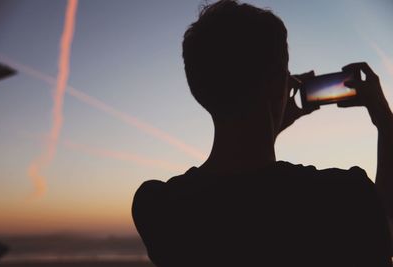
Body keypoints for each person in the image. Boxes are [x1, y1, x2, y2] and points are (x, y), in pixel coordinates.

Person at [132, 0, 393, 266]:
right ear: (277, 82)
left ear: (198, 90)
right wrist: (386, 123)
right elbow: (384, 232)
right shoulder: (340, 198)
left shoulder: (158, 207)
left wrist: (271, 117)